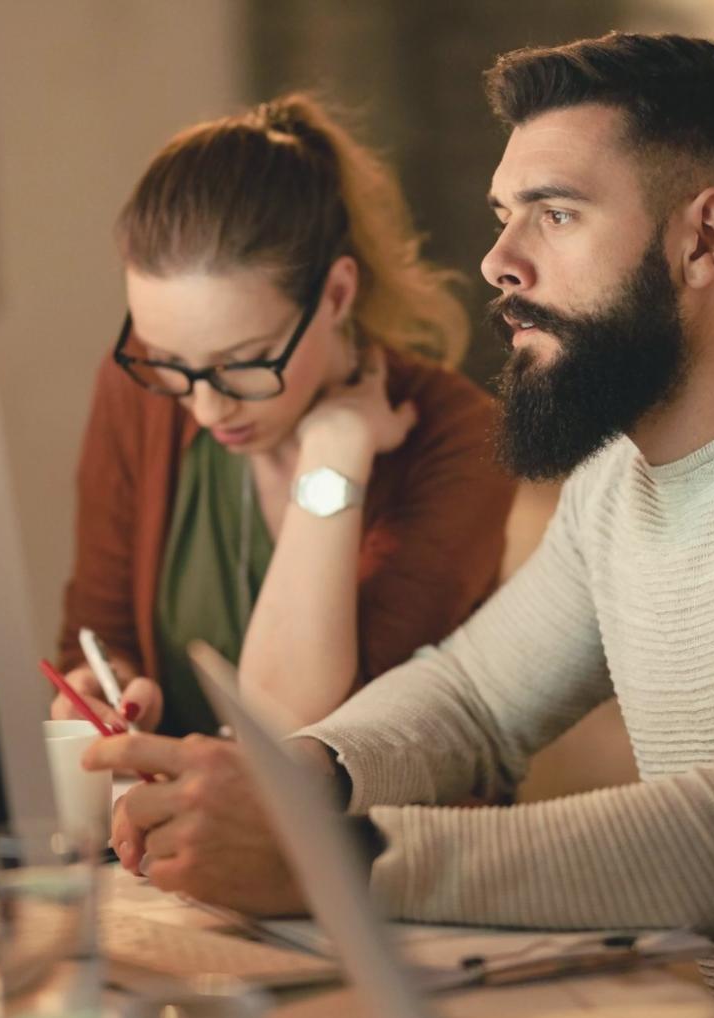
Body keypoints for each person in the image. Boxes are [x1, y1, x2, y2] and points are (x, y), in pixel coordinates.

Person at [85, 33, 714, 1018]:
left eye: (555, 214)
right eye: (501, 216)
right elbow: (472, 699)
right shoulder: (617, 479)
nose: (496, 260)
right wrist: (286, 774)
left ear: (703, 239)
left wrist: (326, 854)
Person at [52, 95, 514, 737]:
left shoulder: (459, 438)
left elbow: (317, 730)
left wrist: (335, 453)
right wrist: (99, 689)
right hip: (172, 832)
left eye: (243, 361)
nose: (208, 405)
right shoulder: (140, 391)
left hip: (386, 837)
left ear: (336, 295)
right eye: (169, 361)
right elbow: (99, 633)